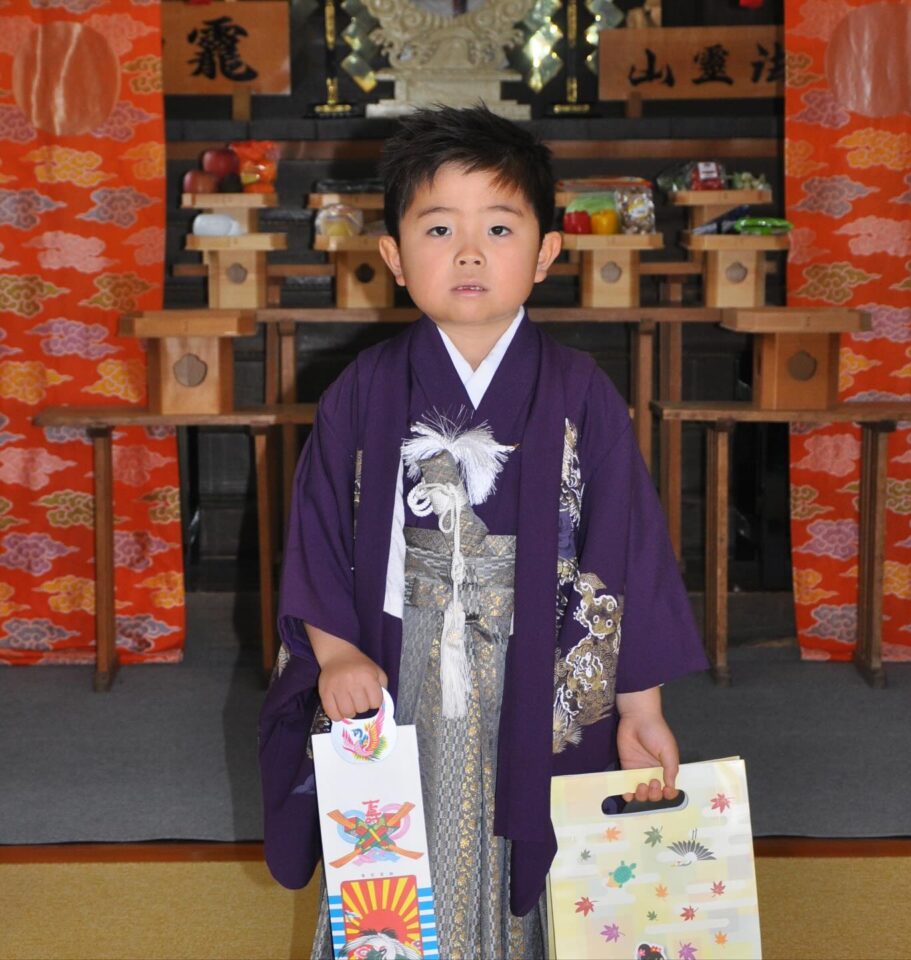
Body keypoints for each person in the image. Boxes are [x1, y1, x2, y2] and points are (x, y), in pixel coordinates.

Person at [258, 105, 708, 960]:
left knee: (542, 858)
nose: (468, 252)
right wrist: (335, 652)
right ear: (392, 255)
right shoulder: (363, 389)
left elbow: (625, 549)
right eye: (438, 228)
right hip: (402, 666)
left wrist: (641, 705)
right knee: (397, 855)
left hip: (539, 674)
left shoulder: (582, 394)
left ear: (545, 253)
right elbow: (318, 535)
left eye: (498, 227)